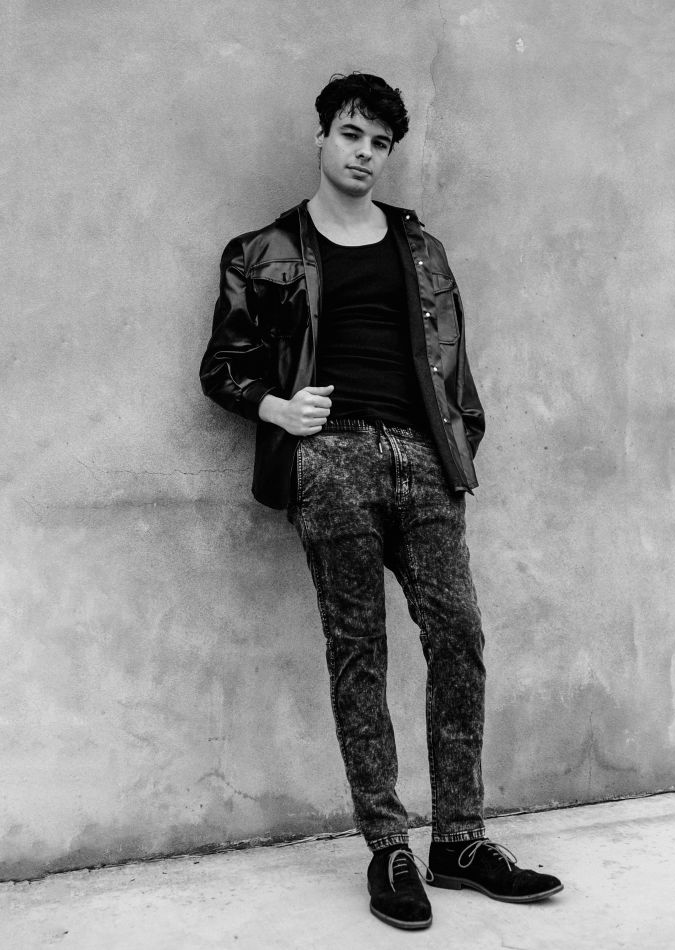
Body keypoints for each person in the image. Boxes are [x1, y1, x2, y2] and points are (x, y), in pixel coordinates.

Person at [200, 72, 562, 931]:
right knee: (358, 650)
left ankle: (459, 842)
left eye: (380, 143)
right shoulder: (261, 251)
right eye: (352, 135)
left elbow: (453, 363)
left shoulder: (420, 246)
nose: (365, 154)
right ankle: (387, 846)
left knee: (458, 636)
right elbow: (222, 365)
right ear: (321, 137)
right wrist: (277, 409)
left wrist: (458, 445)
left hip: (421, 459)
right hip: (330, 460)